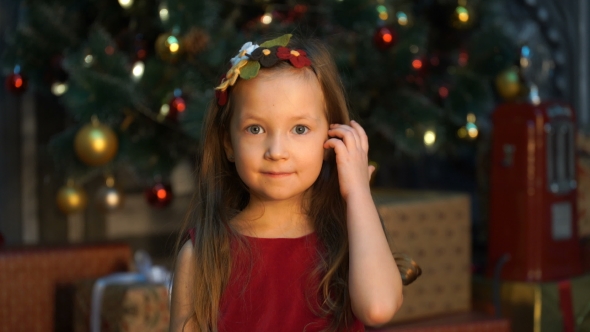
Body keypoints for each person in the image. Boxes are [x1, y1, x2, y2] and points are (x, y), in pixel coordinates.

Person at [169, 34, 420, 332]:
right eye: (255, 128)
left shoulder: (348, 238)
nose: (276, 152)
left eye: (299, 129)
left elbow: (378, 309)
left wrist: (357, 193)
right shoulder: (202, 254)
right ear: (228, 144)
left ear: (331, 138)